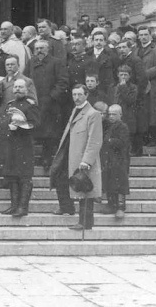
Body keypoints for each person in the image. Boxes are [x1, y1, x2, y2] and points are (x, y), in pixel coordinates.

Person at [50, 84, 103, 231]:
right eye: (74, 95)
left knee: (86, 191)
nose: (77, 98)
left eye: (80, 95)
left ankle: (85, 223)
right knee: (79, 189)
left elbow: (95, 140)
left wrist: (87, 160)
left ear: (86, 95)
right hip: (72, 155)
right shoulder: (76, 110)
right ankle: (83, 221)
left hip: (84, 160)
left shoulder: (93, 114)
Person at [0, 77, 39, 218]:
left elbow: (35, 124)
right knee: (12, 176)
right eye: (16, 87)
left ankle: (23, 207)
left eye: (21, 87)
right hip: (11, 145)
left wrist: (21, 127)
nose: (18, 89)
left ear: (27, 90)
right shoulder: (10, 104)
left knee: (24, 177)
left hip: (24, 146)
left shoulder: (31, 105)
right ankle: (14, 206)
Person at [28, 39, 68, 171]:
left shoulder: (56, 62)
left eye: (42, 48)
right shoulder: (31, 62)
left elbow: (63, 82)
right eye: (37, 48)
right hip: (34, 102)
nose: (39, 51)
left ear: (48, 49)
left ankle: (47, 159)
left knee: (49, 134)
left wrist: (51, 97)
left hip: (51, 105)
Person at [137, 25, 156, 148]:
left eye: (146, 34)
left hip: (154, 86)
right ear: (138, 37)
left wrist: (145, 74)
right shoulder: (136, 50)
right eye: (141, 35)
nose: (143, 37)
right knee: (143, 113)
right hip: (140, 87)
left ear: (150, 35)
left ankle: (155, 139)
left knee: (154, 113)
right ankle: (145, 138)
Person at [101, 104, 131, 219]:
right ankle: (111, 205)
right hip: (109, 160)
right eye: (109, 114)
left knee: (120, 184)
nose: (111, 116)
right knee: (109, 182)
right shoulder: (109, 126)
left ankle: (120, 207)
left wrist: (109, 140)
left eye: (114, 114)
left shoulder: (122, 127)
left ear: (120, 115)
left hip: (119, 160)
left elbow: (122, 142)